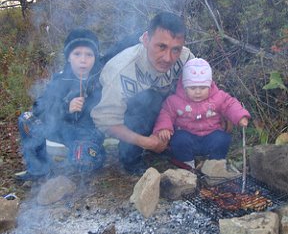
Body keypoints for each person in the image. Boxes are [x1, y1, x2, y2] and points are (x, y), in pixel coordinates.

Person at [91, 12, 195, 175]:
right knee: (149, 100)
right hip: (132, 115)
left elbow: (201, 88)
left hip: (165, 110)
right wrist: (147, 142)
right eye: (161, 47)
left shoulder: (185, 57)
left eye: (175, 49)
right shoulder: (120, 71)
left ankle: (169, 146)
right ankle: (131, 158)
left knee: (182, 97)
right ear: (146, 40)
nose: (168, 58)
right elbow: (106, 121)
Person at [16, 29, 106, 181]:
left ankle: (85, 155)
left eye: (89, 54)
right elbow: (39, 107)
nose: (83, 60)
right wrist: (65, 108)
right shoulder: (60, 79)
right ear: (69, 57)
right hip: (61, 128)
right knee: (26, 119)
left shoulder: (102, 79)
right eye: (77, 54)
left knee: (84, 164)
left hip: (87, 134)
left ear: (95, 57)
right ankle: (39, 169)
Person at [153, 58, 250, 173]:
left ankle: (215, 165)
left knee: (222, 139)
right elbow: (166, 113)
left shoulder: (218, 97)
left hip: (211, 134)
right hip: (188, 136)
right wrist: (164, 128)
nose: (198, 92)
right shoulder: (175, 101)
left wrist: (240, 116)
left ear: (210, 85)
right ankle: (186, 166)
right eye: (192, 88)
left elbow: (230, 104)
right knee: (179, 140)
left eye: (203, 88)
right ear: (184, 87)